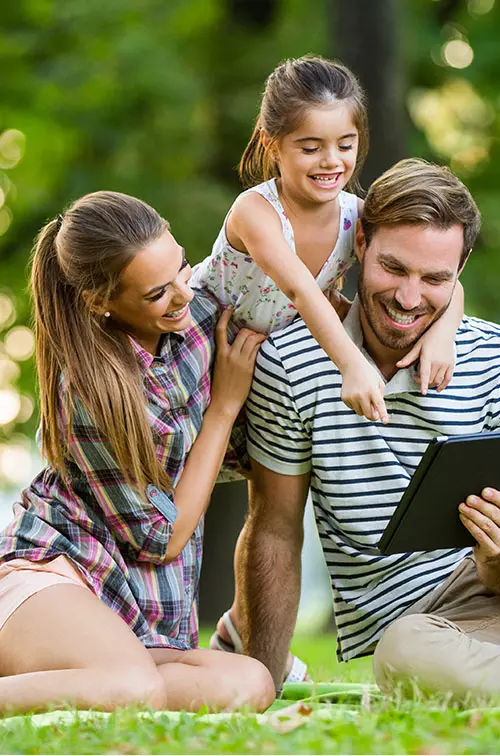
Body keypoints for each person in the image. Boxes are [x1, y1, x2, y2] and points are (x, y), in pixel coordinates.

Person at [221, 158, 500, 699]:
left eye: (436, 278)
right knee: (407, 651)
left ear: (460, 270)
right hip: (425, 632)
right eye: (394, 268)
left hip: (490, 595)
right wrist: (262, 678)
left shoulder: (491, 357)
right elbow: (274, 526)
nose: (409, 298)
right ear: (361, 244)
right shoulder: (289, 362)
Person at [0, 191, 275, 715]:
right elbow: (161, 538)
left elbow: (301, 251)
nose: (183, 296)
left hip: (123, 608)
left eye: (181, 268)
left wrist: (451, 317)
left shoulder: (191, 314)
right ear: (101, 301)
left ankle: (91, 680)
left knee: (248, 683)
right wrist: (222, 409)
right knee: (132, 688)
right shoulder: (91, 390)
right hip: (53, 576)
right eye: (156, 294)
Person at [191, 55, 464, 427]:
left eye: (345, 145)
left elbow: (441, 274)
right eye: (310, 148)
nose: (331, 161)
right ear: (274, 146)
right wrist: (352, 364)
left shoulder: (357, 217)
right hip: (199, 345)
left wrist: (442, 336)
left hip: (264, 362)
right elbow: (301, 291)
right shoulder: (255, 212)